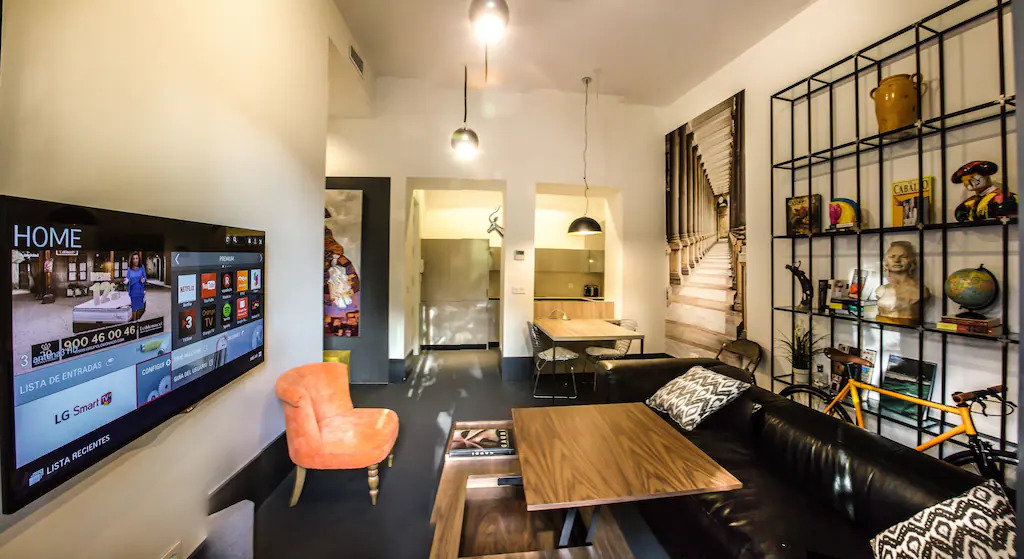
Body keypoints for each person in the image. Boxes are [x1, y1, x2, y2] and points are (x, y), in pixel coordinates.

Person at [874, 241, 929, 325]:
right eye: (892, 256)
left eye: (903, 257)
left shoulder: (920, 291)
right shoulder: (881, 290)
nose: (896, 260)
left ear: (911, 261)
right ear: (886, 263)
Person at [124, 252, 147, 321]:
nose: (135, 260)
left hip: (140, 290)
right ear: (132, 260)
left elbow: (144, 278)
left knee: (140, 307)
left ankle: (138, 321)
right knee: (134, 308)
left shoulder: (141, 267)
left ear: (138, 259)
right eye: (134, 259)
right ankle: (134, 322)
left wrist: (143, 280)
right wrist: (126, 281)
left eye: (136, 258)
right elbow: (127, 278)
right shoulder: (129, 269)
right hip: (133, 291)